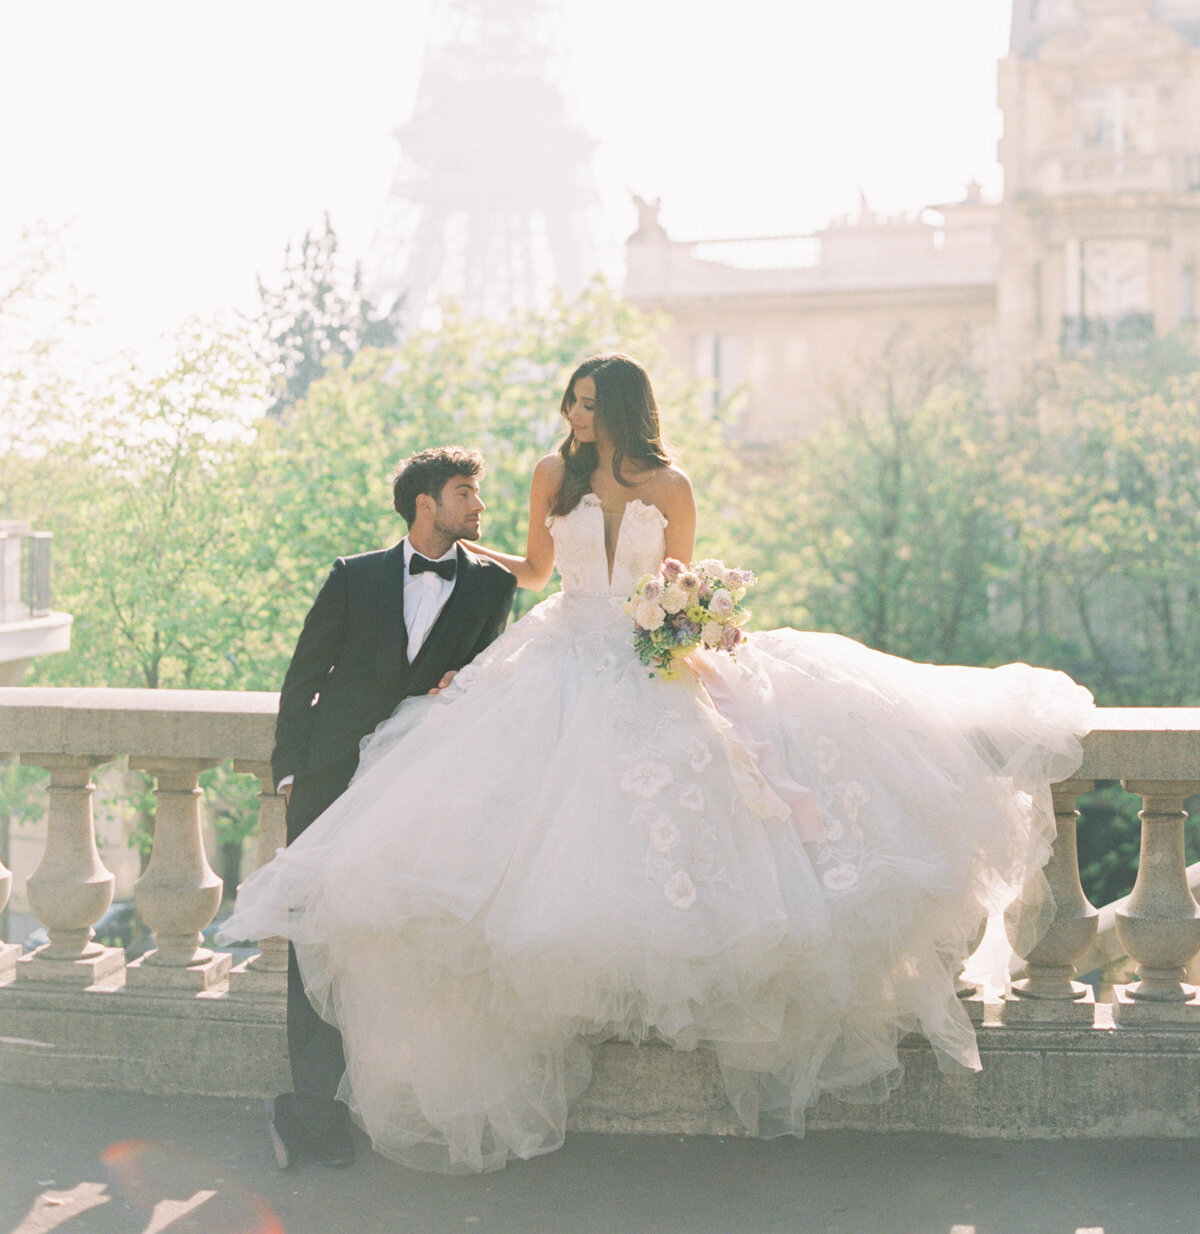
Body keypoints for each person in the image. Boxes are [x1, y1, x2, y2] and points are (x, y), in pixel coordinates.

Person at [223, 354, 1093, 1175]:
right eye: (570, 400)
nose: (572, 414)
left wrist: (691, 617)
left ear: (624, 410)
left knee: (680, 828)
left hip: (639, 657)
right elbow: (532, 570)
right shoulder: (548, 475)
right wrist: (443, 556)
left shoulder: (672, 485)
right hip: (560, 652)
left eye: (587, 401)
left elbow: (673, 582)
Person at [260, 446, 516, 1168]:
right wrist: (288, 768)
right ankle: (311, 1109)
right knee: (314, 933)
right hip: (330, 776)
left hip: (415, 783)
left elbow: (481, 676)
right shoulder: (354, 575)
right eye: (467, 492)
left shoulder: (491, 586)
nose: (479, 506)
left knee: (392, 938)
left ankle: (384, 1096)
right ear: (424, 503)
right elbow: (305, 672)